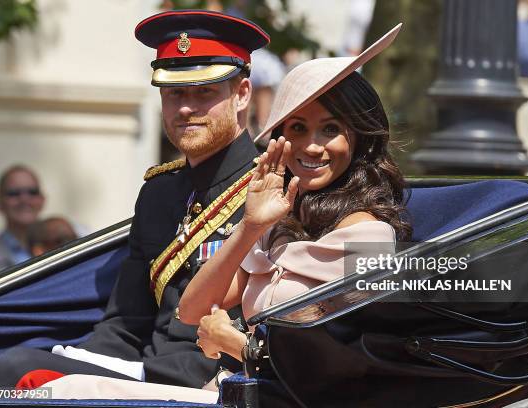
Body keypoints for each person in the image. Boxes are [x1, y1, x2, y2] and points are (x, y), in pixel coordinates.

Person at [31, 24, 408, 403]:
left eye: (330, 129)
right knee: (44, 387)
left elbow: (356, 364)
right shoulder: (282, 223)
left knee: (52, 388)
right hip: (241, 392)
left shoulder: (369, 237)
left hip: (274, 397)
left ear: (359, 137)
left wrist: (242, 346)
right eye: (297, 128)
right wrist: (250, 226)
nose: (311, 146)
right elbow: (191, 310)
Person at [0, 9, 269, 392]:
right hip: (149, 375)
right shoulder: (160, 191)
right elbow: (125, 324)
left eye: (204, 92)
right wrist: (76, 363)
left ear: (242, 94)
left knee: (18, 369)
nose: (186, 108)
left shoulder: (269, 187)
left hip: (219, 380)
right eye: (174, 93)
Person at [0, 165, 45, 278]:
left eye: (32, 192)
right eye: (14, 193)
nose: (24, 199)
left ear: (42, 199)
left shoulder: (68, 241)